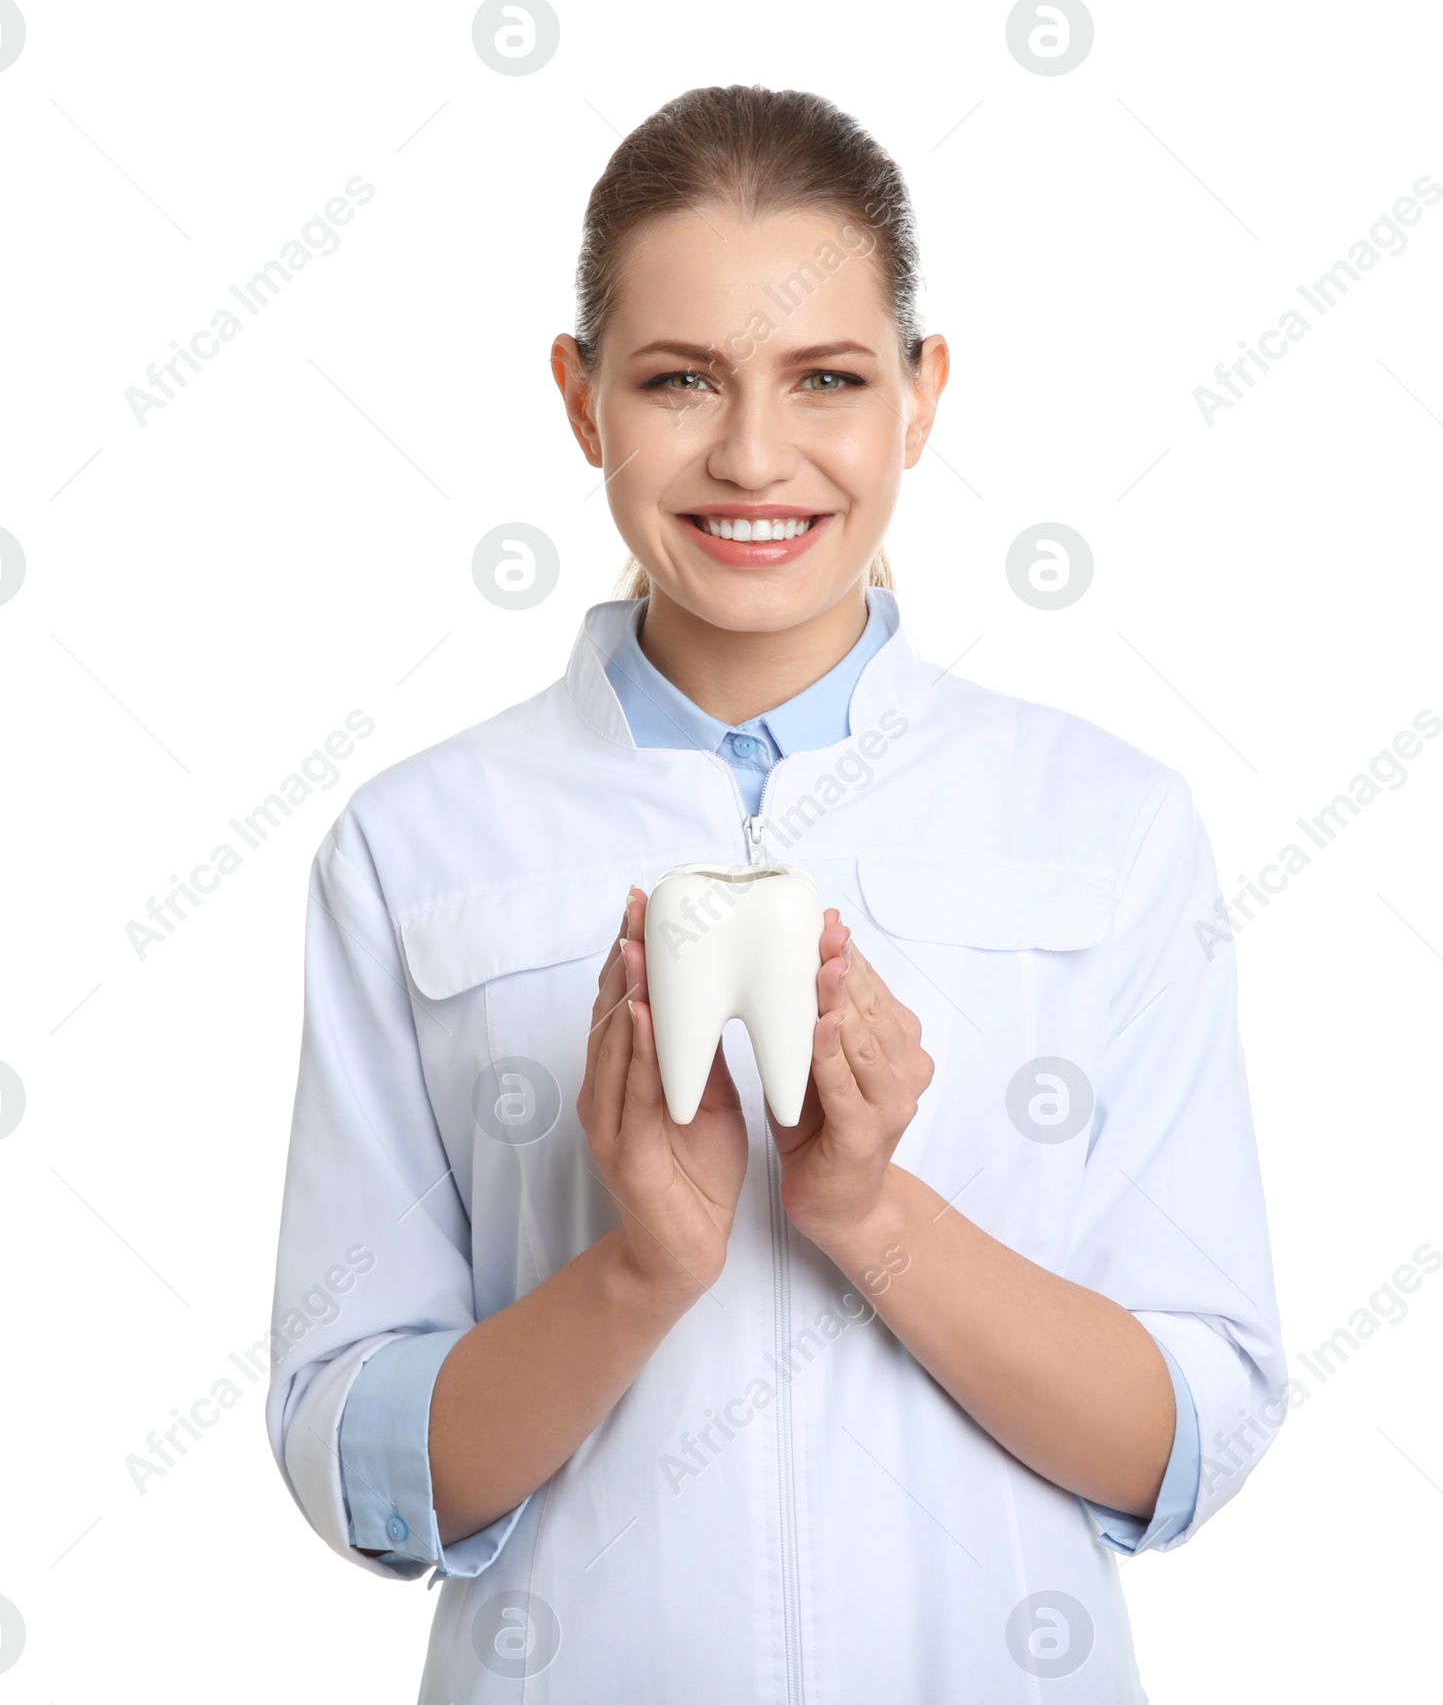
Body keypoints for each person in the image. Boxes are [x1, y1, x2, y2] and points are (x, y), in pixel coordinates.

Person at [265, 83, 1285, 1703]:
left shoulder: (1110, 824)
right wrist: (638, 1268)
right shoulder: (417, 843)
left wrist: (871, 1214)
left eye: (827, 378)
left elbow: (1195, 1428)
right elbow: (354, 1453)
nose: (754, 455)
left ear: (922, 396)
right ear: (582, 396)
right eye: (680, 380)